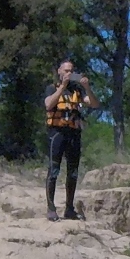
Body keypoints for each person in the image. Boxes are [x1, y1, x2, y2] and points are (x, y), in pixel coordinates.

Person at [44, 60, 92, 221]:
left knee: (73, 172)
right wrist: (62, 87)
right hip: (57, 133)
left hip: (74, 134)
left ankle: (69, 209)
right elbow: (49, 105)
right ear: (59, 71)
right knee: (54, 170)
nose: (69, 74)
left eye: (71, 71)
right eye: (66, 71)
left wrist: (86, 88)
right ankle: (51, 209)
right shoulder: (51, 88)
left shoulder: (77, 90)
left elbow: (93, 103)